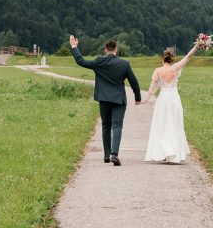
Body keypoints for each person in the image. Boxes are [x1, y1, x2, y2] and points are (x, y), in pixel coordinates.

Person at [69, 35, 141, 166]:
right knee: (117, 126)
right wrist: (137, 97)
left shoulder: (99, 61)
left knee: (106, 126)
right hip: (118, 100)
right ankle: (115, 154)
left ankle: (106, 155)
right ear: (116, 49)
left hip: (103, 99)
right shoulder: (124, 64)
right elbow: (134, 82)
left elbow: (81, 61)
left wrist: (74, 46)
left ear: (105, 49)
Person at [142, 42, 199, 163]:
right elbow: (188, 56)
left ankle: (163, 152)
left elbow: (152, 88)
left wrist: (144, 100)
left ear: (162, 59)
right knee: (174, 122)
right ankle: (175, 151)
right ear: (171, 59)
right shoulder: (176, 67)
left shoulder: (157, 71)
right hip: (174, 98)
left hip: (163, 98)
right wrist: (197, 46)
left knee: (162, 123)